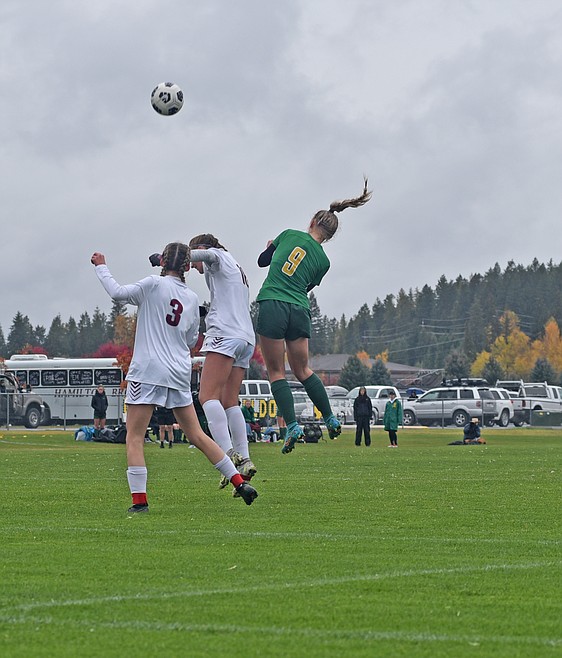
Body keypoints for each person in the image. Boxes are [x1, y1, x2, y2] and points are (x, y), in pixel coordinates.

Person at [91, 243, 258, 513]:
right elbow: (191, 340)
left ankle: (139, 502)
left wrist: (101, 267)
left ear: (162, 262)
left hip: (148, 371)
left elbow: (118, 293)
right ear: (187, 267)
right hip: (178, 371)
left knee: (134, 436)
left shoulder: (153, 285)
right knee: (197, 435)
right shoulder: (191, 298)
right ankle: (239, 482)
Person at [256, 179, 372, 454]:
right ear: (329, 236)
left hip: (273, 301)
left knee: (276, 371)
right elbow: (306, 286)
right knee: (303, 370)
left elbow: (262, 261)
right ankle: (330, 418)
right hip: (299, 309)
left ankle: (292, 426)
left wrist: (271, 246)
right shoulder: (324, 261)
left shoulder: (288, 234)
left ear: (311, 222)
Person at [185, 234, 258, 493]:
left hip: (225, 334)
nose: (193, 267)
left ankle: (227, 456)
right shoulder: (234, 264)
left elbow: (206, 255)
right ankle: (245, 459)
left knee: (207, 397)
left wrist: (174, 256)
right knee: (229, 401)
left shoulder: (216, 256)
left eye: (193, 260)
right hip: (246, 338)